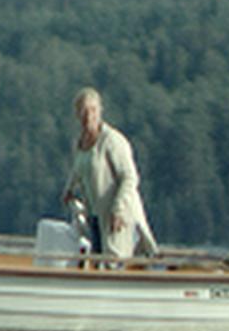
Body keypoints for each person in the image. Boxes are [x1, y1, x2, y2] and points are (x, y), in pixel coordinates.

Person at [56, 87, 156, 258]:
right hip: (94, 215)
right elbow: (79, 170)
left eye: (93, 110)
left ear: (100, 111)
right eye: (84, 111)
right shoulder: (80, 143)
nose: (89, 116)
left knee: (114, 260)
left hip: (117, 216)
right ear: (77, 114)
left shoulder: (112, 141)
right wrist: (69, 190)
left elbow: (130, 178)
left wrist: (118, 209)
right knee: (96, 260)